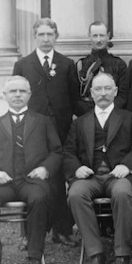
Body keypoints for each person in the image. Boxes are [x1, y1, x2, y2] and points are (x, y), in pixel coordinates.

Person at [0, 76, 63, 264]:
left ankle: (34, 257)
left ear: (30, 95)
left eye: (22, 91)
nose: (17, 95)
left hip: (31, 180)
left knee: (39, 198)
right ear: (5, 96)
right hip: (2, 181)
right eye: (13, 91)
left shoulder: (43, 122)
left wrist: (44, 168)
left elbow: (57, 152)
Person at [64, 73, 132, 264]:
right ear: (91, 94)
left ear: (115, 92)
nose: (103, 93)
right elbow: (68, 152)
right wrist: (77, 168)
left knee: (123, 193)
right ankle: (95, 253)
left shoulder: (130, 119)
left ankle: (122, 253)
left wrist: (127, 165)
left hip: (118, 176)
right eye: (98, 89)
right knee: (75, 194)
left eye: (108, 89)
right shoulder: (80, 122)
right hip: (90, 177)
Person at [13, 18, 81, 247]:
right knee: (31, 178)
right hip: (33, 133)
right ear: (35, 36)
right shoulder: (23, 64)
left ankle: (62, 230)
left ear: (56, 37)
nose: (45, 39)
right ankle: (31, 233)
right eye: (41, 34)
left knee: (59, 178)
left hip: (60, 132)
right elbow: (17, 98)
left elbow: (74, 99)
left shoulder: (66, 64)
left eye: (49, 34)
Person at [76, 21, 128, 115]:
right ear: (89, 36)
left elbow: (123, 96)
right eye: (95, 36)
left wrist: (106, 112)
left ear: (108, 36)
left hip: (113, 116)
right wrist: (94, 114)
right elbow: (76, 98)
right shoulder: (81, 65)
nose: (98, 40)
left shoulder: (119, 64)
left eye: (102, 35)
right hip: (86, 117)